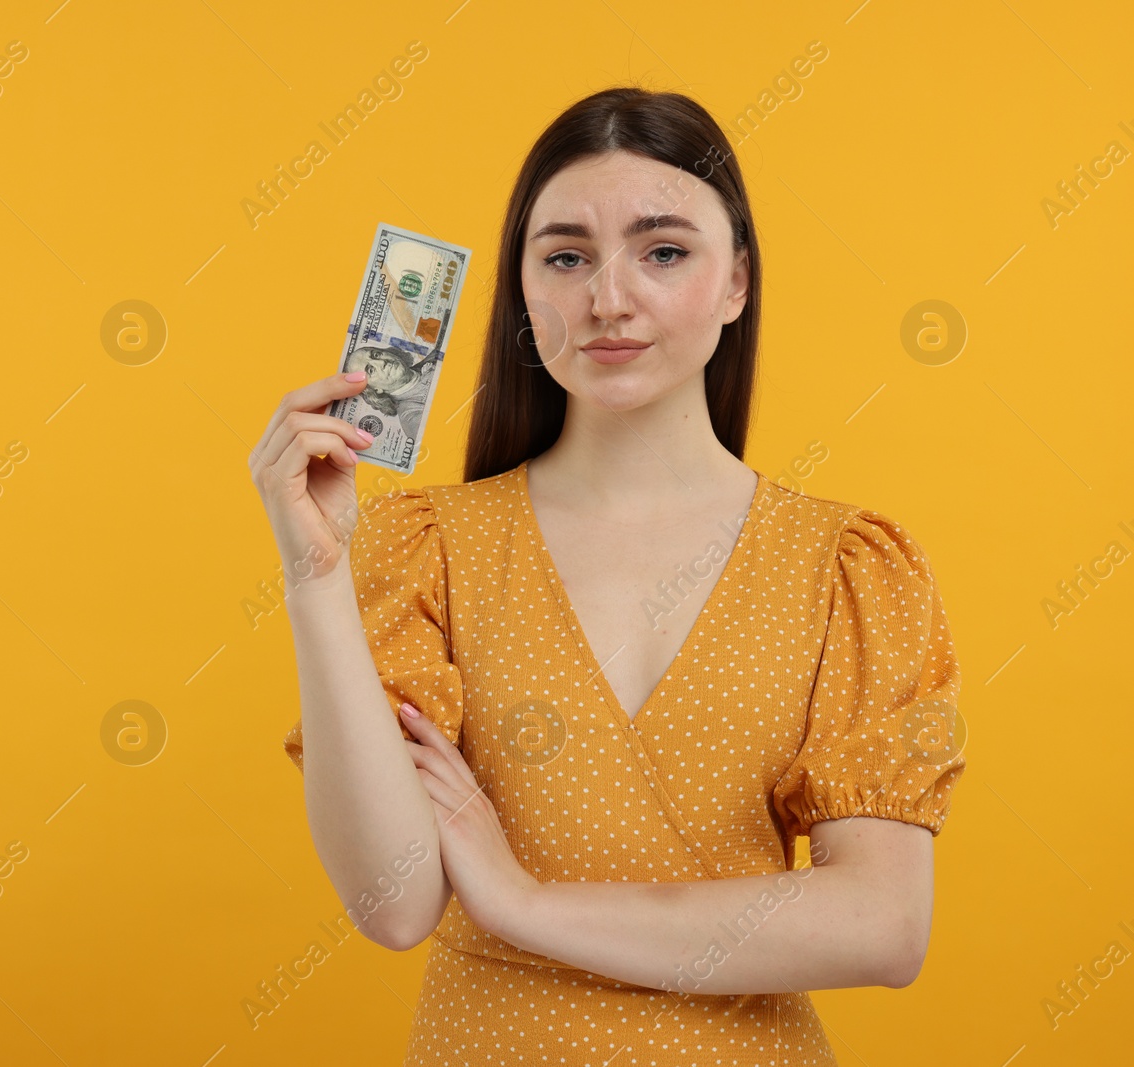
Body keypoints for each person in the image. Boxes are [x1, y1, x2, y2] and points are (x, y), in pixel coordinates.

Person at [249, 86, 965, 1066]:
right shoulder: (429, 545)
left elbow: (882, 924)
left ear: (736, 283)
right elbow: (392, 899)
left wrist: (525, 903)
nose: (608, 298)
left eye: (662, 250)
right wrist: (316, 576)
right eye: (565, 255)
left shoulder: (849, 566)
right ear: (523, 289)